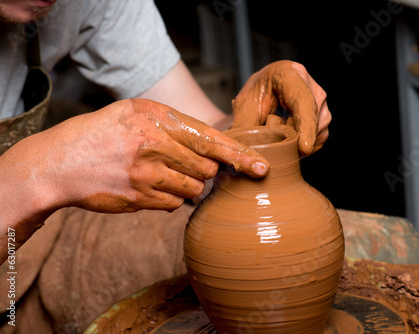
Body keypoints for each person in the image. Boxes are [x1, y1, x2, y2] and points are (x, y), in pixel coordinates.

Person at [0, 0, 331, 332]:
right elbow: (40, 177)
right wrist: (46, 170)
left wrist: (254, 126)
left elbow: (205, 129)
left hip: (34, 242)